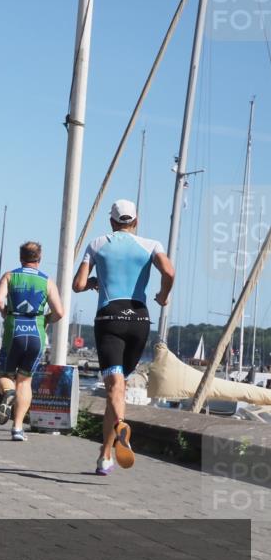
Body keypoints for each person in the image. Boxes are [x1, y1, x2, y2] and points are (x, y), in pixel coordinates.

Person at [73, 199, 174, 475]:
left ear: (112, 222)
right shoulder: (151, 245)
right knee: (118, 388)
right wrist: (163, 296)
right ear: (136, 221)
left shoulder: (97, 243)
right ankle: (105, 455)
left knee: (114, 386)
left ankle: (119, 427)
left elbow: (78, 284)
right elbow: (169, 271)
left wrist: (94, 282)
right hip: (139, 321)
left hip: (110, 319)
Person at [0, 241, 64, 441]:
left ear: (21, 258)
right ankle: (17, 428)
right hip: (36, 333)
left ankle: (8, 392)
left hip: (14, 330)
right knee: (25, 380)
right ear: (39, 259)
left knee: (4, 376)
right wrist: (45, 320)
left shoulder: (10, 276)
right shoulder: (47, 281)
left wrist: (6, 313)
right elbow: (60, 312)